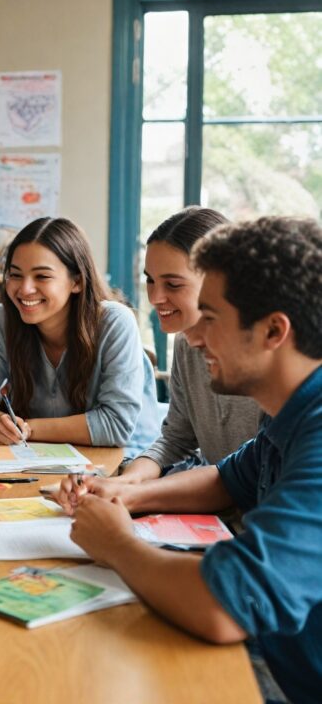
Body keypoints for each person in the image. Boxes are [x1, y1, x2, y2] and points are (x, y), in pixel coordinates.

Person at [59, 217, 322, 704]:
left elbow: (226, 608)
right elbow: (226, 481)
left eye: (212, 317)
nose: (195, 338)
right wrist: (125, 494)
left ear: (273, 331)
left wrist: (116, 543)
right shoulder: (289, 410)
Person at [0, 217, 160, 452]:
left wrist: (29, 429)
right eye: (15, 274)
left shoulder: (115, 322)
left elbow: (116, 425)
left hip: (128, 464)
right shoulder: (2, 320)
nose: (24, 289)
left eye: (42, 276)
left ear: (77, 282)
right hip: (44, 459)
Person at [121, 207, 263, 482]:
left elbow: (253, 474)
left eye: (173, 284)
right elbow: (176, 438)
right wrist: (128, 481)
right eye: (150, 281)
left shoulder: (270, 358)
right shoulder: (186, 341)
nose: (155, 297)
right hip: (220, 509)